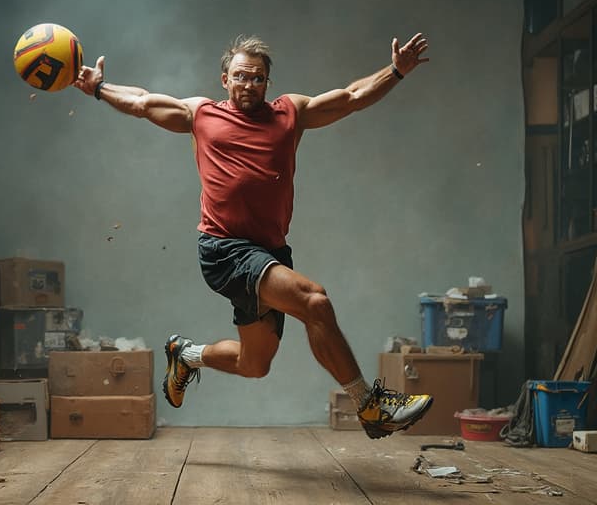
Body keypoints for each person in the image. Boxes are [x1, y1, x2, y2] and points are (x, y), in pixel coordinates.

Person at [74, 33, 433, 438]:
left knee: (254, 364)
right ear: (224, 78)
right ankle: (370, 406)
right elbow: (142, 102)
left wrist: (396, 72)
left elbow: (350, 98)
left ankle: (186, 355)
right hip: (224, 250)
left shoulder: (290, 113)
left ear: (267, 83)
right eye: (241, 76)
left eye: (258, 78)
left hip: (269, 253)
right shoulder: (201, 114)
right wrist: (99, 88)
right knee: (315, 301)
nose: (249, 85)